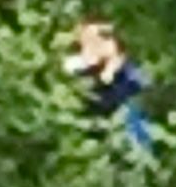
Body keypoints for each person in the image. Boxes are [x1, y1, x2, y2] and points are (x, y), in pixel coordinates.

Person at [68, 18, 158, 153]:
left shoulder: (128, 73)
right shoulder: (79, 67)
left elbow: (139, 81)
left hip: (124, 102)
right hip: (98, 113)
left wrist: (111, 68)